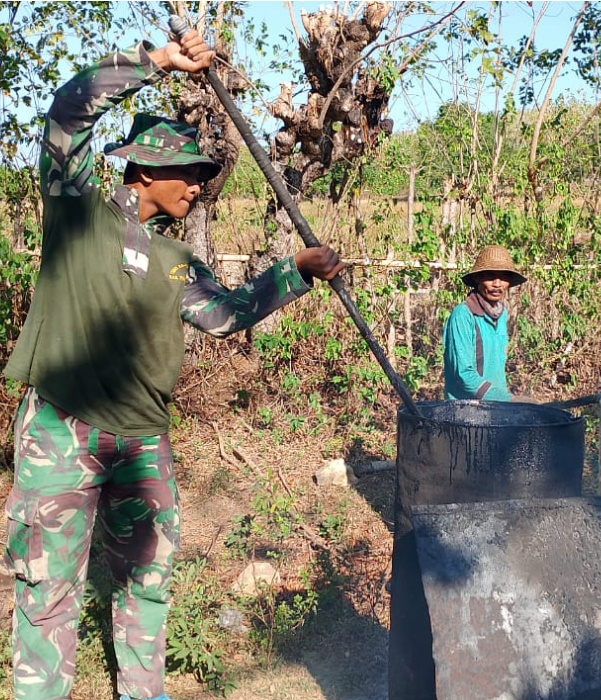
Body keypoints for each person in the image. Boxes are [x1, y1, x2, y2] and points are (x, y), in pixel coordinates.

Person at [2, 29, 344, 700]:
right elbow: (66, 115)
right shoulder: (79, 217)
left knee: (147, 588)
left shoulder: (175, 261)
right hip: (61, 432)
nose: (198, 185)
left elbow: (225, 315)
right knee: (48, 590)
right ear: (146, 170)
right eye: (189, 173)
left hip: (141, 440)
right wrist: (156, 65)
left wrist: (295, 272)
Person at [442, 245, 527, 401]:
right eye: (490, 276)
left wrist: (505, 399)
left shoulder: (502, 314)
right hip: (466, 411)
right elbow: (464, 375)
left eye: (503, 277)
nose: (497, 283)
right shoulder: (463, 315)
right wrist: (510, 400)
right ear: (477, 278)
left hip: (496, 408)